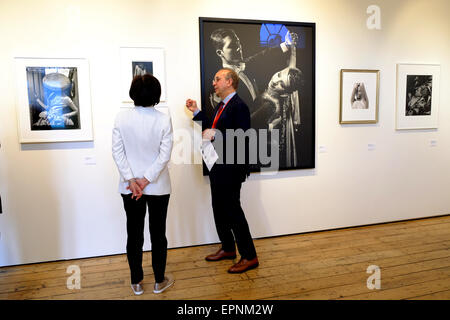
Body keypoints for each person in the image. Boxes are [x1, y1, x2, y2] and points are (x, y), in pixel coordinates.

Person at [186, 68, 259, 273]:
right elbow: (211, 128)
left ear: (229, 81)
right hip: (219, 166)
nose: (214, 83)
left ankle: (250, 256)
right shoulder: (222, 105)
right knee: (218, 208)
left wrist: (216, 136)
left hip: (231, 168)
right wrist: (197, 112)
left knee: (233, 210)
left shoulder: (239, 106)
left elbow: (243, 138)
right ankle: (228, 248)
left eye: (217, 79)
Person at [112, 74, 174, 295]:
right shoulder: (163, 119)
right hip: (157, 187)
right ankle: (159, 280)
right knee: (158, 234)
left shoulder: (121, 117)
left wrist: (132, 180)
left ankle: (136, 282)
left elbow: (117, 152)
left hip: (130, 189)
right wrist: (146, 180)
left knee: (134, 233)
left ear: (133, 94)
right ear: (156, 95)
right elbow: (164, 155)